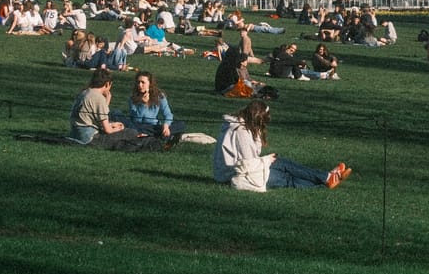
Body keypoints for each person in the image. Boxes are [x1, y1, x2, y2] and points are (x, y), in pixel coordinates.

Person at [210, 99, 350, 191]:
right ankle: (326, 181)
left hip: (239, 170)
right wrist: (267, 159)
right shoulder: (241, 132)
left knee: (284, 165)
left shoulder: (241, 126)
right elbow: (248, 163)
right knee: (287, 178)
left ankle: (328, 177)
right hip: (235, 174)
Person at [66, 67, 127, 146]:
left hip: (75, 133)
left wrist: (112, 124)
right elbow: (107, 130)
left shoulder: (84, 92)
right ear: (107, 84)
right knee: (130, 133)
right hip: (88, 136)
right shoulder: (98, 98)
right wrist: (118, 129)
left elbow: (98, 116)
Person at [124, 71, 183, 148]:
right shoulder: (133, 98)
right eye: (138, 82)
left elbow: (168, 114)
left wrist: (166, 125)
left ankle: (154, 136)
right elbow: (137, 118)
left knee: (180, 124)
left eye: (143, 82)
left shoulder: (159, 96)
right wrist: (143, 104)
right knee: (119, 116)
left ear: (150, 84)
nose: (140, 85)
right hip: (138, 126)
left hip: (153, 126)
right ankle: (160, 138)